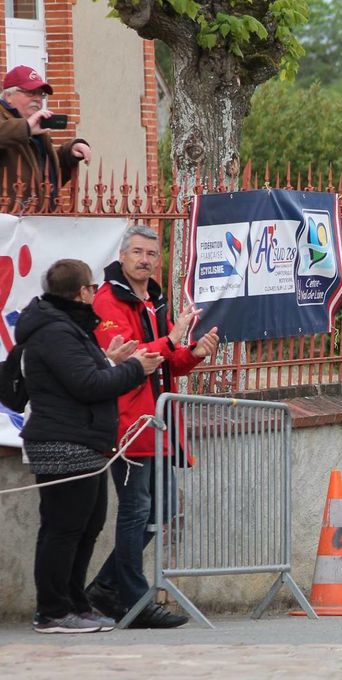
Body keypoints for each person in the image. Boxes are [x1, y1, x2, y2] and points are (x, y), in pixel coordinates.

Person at [16, 259, 162, 633]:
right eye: (91, 287)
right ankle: (52, 610)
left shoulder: (66, 328)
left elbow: (84, 373)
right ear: (82, 292)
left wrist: (111, 360)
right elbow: (87, 385)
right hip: (63, 441)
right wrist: (134, 369)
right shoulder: (55, 331)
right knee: (63, 529)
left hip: (85, 441)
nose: (95, 292)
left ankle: (76, 603)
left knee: (87, 525)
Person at [85, 225, 219, 629]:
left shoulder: (153, 300)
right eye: (137, 252)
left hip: (158, 423)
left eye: (151, 254)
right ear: (122, 256)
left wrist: (193, 351)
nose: (144, 259)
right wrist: (172, 340)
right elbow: (134, 358)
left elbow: (167, 361)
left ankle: (107, 587)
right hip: (129, 422)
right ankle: (132, 597)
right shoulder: (109, 300)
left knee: (162, 507)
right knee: (137, 509)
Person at [0, 66, 91, 210]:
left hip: (37, 219)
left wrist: (69, 153)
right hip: (8, 221)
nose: (37, 99)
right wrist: (26, 128)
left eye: (40, 94)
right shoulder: (13, 123)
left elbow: (45, 174)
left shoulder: (36, 128)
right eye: (30, 93)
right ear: (8, 96)